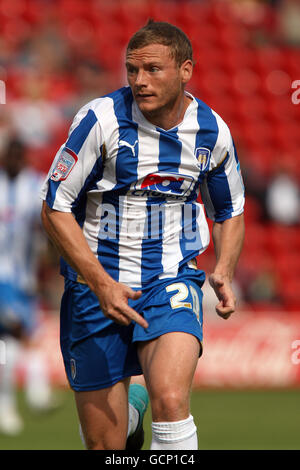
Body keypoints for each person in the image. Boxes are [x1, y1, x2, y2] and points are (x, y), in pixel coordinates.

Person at [40, 20, 245, 450]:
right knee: (105, 445)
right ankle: (130, 415)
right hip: (95, 287)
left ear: (185, 70)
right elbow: (55, 206)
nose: (139, 81)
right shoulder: (101, 120)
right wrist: (100, 283)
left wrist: (224, 268)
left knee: (171, 399)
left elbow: (228, 209)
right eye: (132, 70)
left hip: (170, 278)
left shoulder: (211, 131)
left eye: (153, 70)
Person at [0, 138, 56, 435]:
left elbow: (48, 227)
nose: (12, 159)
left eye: (17, 154)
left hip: (23, 277)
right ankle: (20, 402)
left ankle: (26, 399)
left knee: (18, 340)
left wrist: (46, 268)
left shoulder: (34, 186)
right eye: (8, 153)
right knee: (15, 335)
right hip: (2, 277)